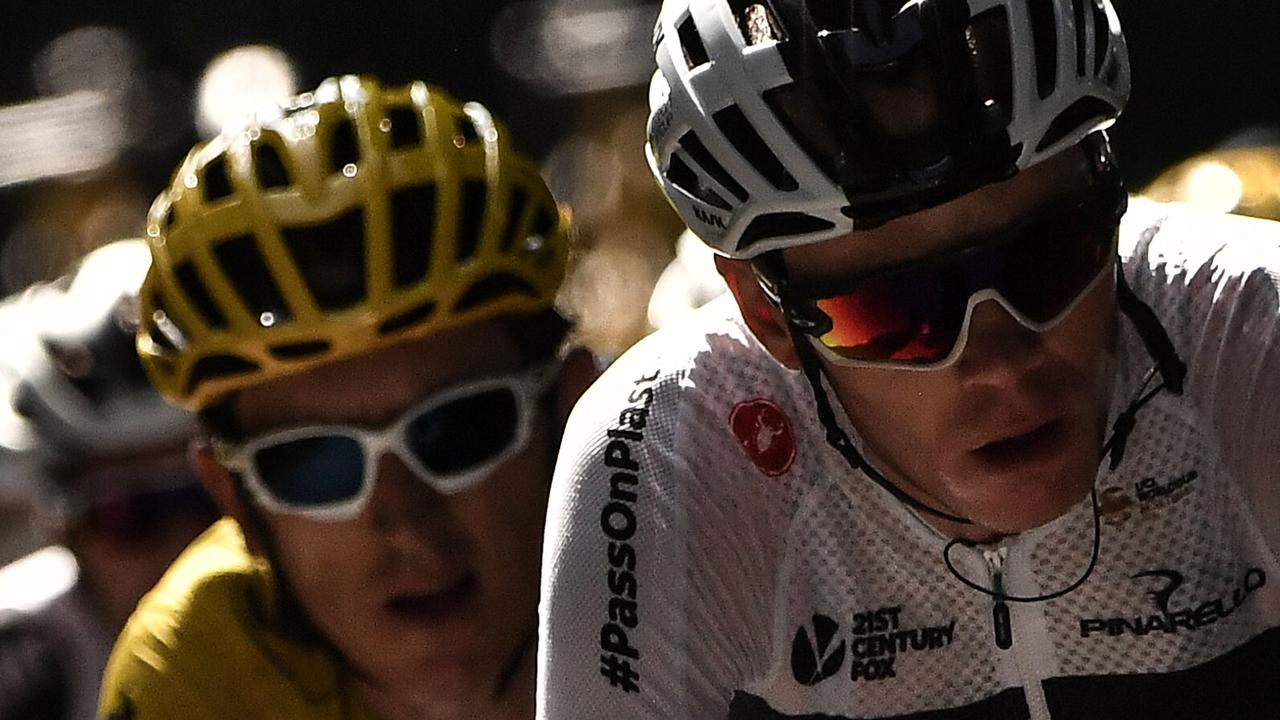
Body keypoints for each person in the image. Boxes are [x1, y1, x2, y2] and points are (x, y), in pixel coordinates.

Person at [537, 1, 1280, 718]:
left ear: (1106, 180)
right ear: (767, 313)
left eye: (1049, 257)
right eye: (897, 313)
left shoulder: (1252, 329)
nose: (1000, 363)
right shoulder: (667, 451)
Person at [97, 75, 594, 720]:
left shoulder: (730, 552)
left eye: (459, 429)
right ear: (235, 503)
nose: (404, 517)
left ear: (575, 413)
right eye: (314, 465)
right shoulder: (194, 682)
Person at [0, 239, 216, 720]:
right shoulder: (20, 660)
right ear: (61, 526)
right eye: (128, 514)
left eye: (208, 497)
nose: (183, 546)